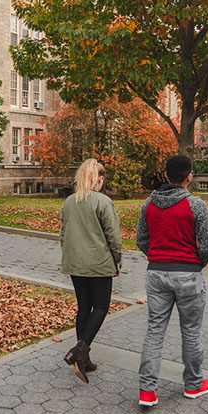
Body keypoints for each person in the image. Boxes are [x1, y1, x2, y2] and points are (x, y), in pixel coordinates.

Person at [136, 154, 208, 407]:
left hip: (156, 273)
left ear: (166, 175)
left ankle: (147, 391)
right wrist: (195, 263)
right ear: (189, 176)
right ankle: (194, 384)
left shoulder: (148, 204)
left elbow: (141, 239)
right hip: (188, 274)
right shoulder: (196, 205)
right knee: (191, 331)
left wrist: (157, 257)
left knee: (155, 330)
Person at [59, 158, 122, 383]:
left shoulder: (68, 202)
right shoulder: (103, 202)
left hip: (76, 264)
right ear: (98, 179)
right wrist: (117, 261)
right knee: (102, 307)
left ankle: (83, 359)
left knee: (84, 307)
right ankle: (78, 352)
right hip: (99, 263)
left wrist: (68, 256)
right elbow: (113, 236)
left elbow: (62, 234)